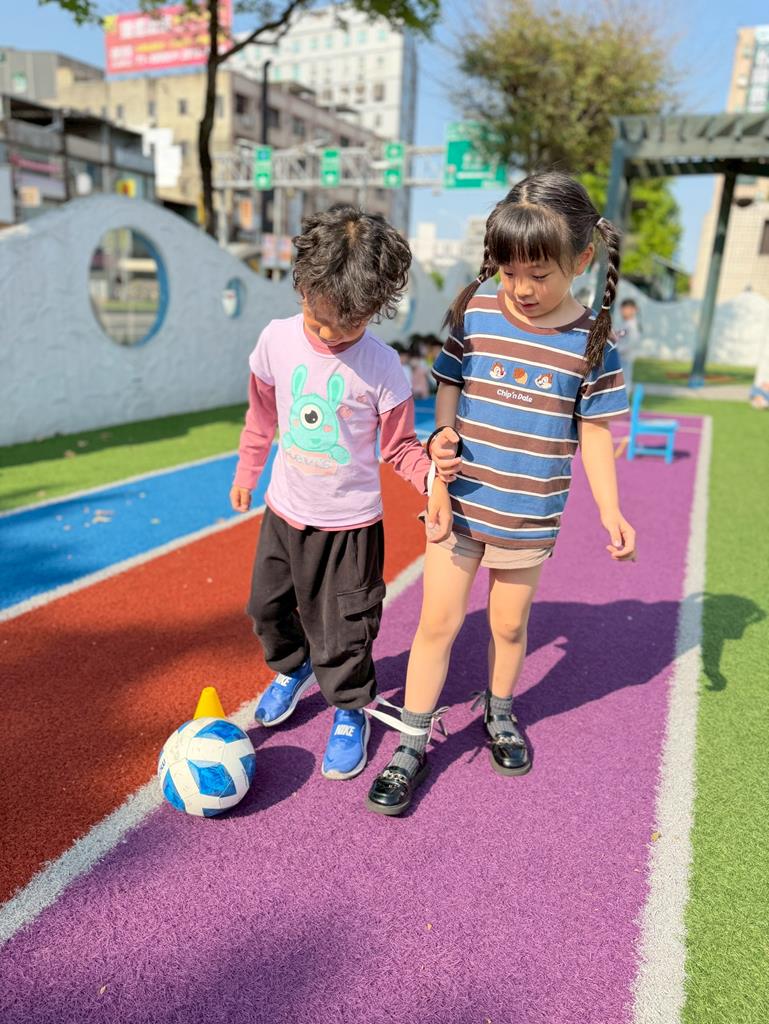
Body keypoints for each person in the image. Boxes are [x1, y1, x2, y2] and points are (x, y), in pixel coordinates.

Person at [366, 171, 637, 816]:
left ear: (581, 260)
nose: (522, 288)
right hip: (459, 506)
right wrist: (442, 438)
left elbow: (595, 434)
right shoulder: (479, 311)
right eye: (510, 272)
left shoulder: (592, 342)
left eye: (539, 274)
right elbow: (449, 383)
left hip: (530, 514)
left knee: (510, 624)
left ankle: (501, 710)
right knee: (438, 622)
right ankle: (411, 741)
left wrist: (611, 510)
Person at [231, 207, 452, 781]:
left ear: (376, 308)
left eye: (348, 324)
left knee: (345, 632)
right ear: (302, 287)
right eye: (320, 318)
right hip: (284, 515)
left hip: (350, 528)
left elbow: (400, 448)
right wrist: (247, 471)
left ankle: (350, 707)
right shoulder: (276, 340)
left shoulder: (382, 367)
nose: (330, 334)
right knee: (266, 609)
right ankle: (292, 666)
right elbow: (261, 416)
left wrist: (433, 483)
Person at [616, 298, 641, 393]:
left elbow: (632, 342)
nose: (623, 311)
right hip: (619, 358)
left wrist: (617, 349)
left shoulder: (633, 325)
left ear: (633, 310)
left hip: (625, 358)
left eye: (626, 309)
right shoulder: (624, 324)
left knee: (624, 382)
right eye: (622, 309)